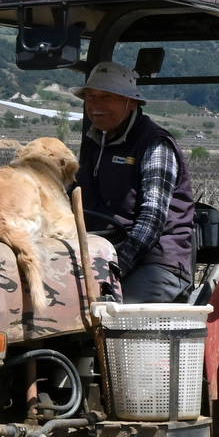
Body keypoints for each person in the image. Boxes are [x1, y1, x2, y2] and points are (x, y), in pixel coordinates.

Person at [73, 61, 195, 303]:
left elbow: (152, 219)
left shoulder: (154, 144)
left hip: (155, 261)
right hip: (102, 253)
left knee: (110, 315)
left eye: (106, 97)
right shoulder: (95, 142)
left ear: (131, 102)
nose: (96, 105)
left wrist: (117, 266)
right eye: (90, 97)